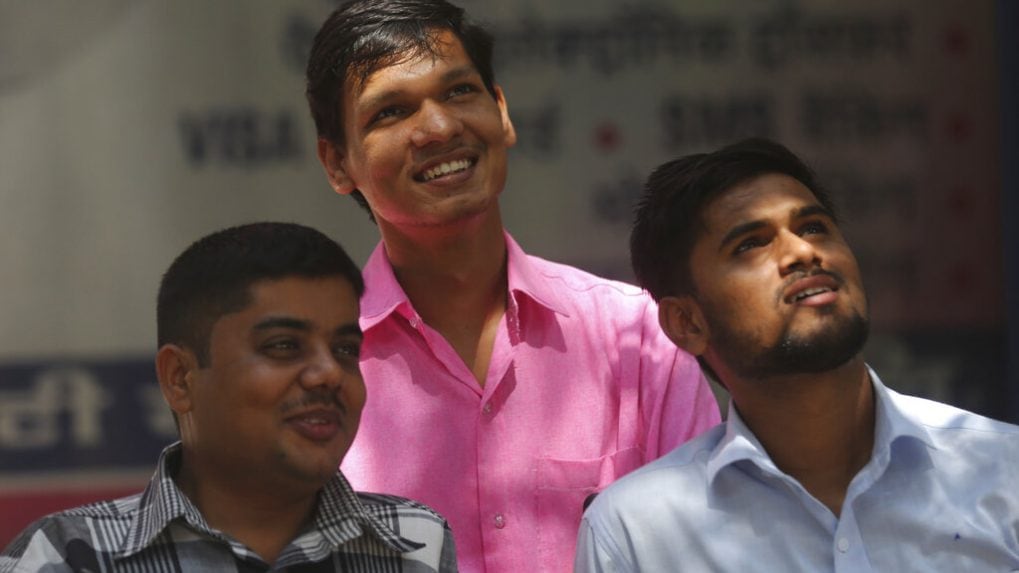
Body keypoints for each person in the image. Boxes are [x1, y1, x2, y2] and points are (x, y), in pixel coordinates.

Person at [304, 1, 721, 570]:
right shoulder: (313, 370)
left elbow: (701, 552)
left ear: (501, 112)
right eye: (391, 111)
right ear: (336, 163)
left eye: (459, 92)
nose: (439, 128)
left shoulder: (639, 338)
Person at [574, 137, 1019, 571]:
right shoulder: (637, 537)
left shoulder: (1004, 473)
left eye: (814, 227)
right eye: (750, 244)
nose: (803, 252)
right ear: (688, 322)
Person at [0, 222, 457, 572]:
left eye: (345, 350)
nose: (328, 374)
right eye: (284, 346)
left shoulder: (414, 543)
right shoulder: (68, 557)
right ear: (180, 379)